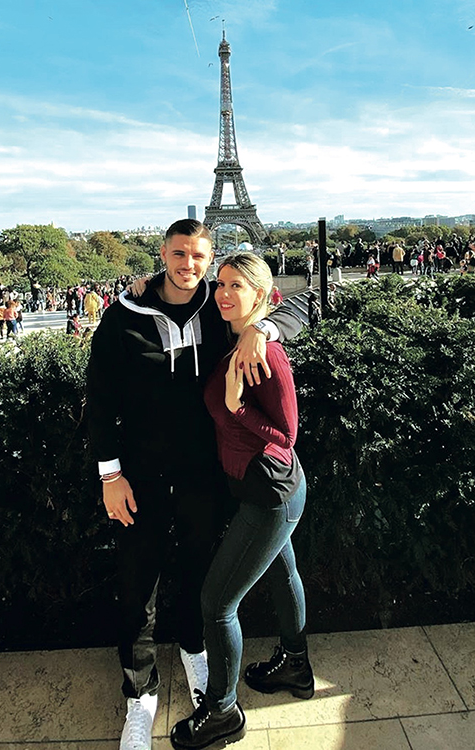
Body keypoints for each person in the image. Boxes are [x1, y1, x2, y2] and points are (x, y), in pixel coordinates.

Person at [86, 219, 302, 750]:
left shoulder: (219, 306)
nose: (189, 265)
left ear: (210, 259)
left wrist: (263, 329)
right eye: (179, 254)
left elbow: (298, 306)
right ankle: (140, 695)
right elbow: (100, 399)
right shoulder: (123, 315)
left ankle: (194, 652)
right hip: (140, 476)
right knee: (138, 583)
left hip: (203, 474)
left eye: (198, 256)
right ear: (162, 253)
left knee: (199, 570)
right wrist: (110, 474)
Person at [170, 253, 313, 750]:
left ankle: (222, 712)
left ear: (261, 294)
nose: (224, 293)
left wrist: (236, 409)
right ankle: (296, 666)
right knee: (282, 573)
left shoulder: (264, 354)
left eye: (237, 286)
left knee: (216, 604)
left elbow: (286, 436)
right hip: (265, 490)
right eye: (222, 283)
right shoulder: (236, 337)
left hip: (269, 495)